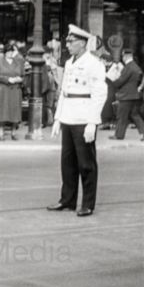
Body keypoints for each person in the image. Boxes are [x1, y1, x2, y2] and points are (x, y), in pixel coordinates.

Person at [47, 24, 107, 217]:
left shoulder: (93, 63)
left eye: (71, 42)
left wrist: (92, 122)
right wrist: (58, 118)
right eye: (68, 41)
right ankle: (67, 200)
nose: (68, 45)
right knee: (67, 163)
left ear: (82, 43)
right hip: (69, 117)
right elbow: (64, 92)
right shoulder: (70, 63)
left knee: (86, 164)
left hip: (84, 117)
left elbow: (99, 94)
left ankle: (88, 203)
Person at [109, 48, 144, 141]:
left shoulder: (128, 67)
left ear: (126, 56)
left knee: (121, 116)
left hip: (126, 96)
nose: (122, 58)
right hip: (133, 95)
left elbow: (120, 81)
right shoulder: (135, 66)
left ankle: (119, 135)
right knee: (134, 115)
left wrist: (113, 80)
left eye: (123, 56)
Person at [0, 42, 24, 141]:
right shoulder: (0, 62)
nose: (10, 53)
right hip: (4, 90)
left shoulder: (17, 62)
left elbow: (23, 74)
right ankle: (1, 132)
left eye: (12, 51)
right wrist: (8, 79)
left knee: (14, 112)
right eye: (8, 52)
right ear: (5, 53)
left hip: (15, 90)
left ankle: (14, 132)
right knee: (3, 111)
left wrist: (20, 79)